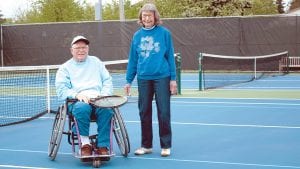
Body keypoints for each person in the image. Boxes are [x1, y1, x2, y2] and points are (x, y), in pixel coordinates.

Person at [124, 3, 177, 157]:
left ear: (155, 17)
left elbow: (170, 57)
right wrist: (128, 80)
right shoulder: (136, 36)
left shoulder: (165, 33)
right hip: (143, 79)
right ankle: (146, 145)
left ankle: (165, 145)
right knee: (144, 112)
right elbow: (133, 60)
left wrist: (173, 79)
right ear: (141, 18)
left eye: (150, 15)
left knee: (164, 112)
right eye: (144, 15)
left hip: (162, 77)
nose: (147, 18)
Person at [55, 35, 113, 159]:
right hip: (77, 101)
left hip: (98, 99)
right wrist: (77, 95)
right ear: (71, 50)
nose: (81, 50)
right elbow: (61, 90)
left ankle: (103, 145)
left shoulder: (96, 62)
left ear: (88, 49)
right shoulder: (65, 68)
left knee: (107, 110)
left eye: (84, 47)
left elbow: (107, 80)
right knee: (82, 108)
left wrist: (103, 95)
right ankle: (85, 144)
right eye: (77, 48)